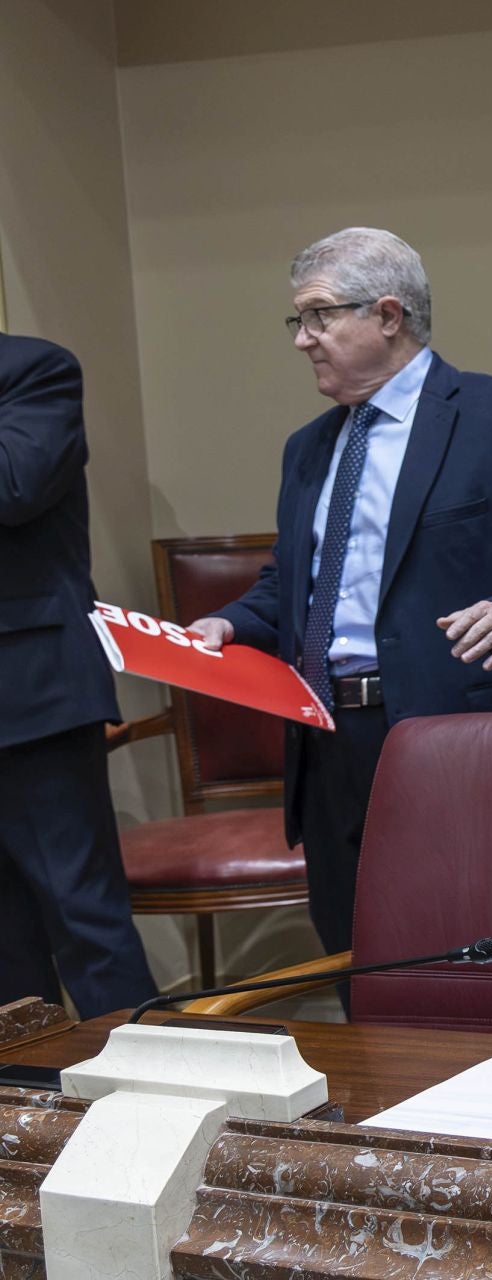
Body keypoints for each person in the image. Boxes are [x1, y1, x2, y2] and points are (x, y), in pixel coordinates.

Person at [189, 228, 492, 956]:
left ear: (387, 315)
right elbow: (293, 582)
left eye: (319, 316)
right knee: (357, 954)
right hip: (329, 741)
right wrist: (227, 625)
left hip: (458, 731)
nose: (302, 339)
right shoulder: (307, 448)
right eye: (298, 320)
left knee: (472, 945)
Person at [0, 332, 159, 1016]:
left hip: (33, 690)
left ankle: (156, 1098)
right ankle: (28, 1108)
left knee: (84, 918)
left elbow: (14, 485)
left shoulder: (34, 369)